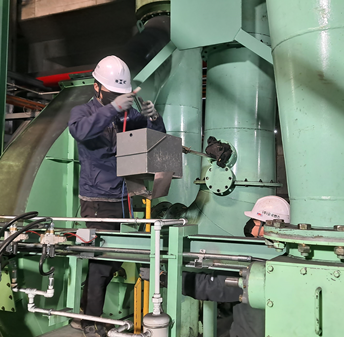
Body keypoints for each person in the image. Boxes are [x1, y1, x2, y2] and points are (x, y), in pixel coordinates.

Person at [68, 55, 166, 337]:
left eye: (120, 95)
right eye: (112, 93)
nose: (117, 99)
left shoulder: (126, 116)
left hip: (123, 198)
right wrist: (112, 108)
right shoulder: (82, 113)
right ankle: (89, 322)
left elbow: (156, 138)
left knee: (111, 261)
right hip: (97, 202)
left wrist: (153, 117)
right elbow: (82, 132)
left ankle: (87, 314)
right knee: (100, 264)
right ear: (97, 87)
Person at [182, 196, 290, 337]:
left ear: (269, 227)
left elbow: (215, 287)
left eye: (255, 222)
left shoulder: (260, 265)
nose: (250, 225)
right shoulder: (286, 258)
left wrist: (167, 278)